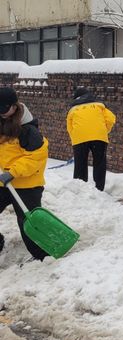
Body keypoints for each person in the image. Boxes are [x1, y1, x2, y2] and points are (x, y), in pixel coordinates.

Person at [0, 87, 49, 260]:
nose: (1, 112)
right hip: (3, 183)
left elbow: (36, 157)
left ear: (14, 106)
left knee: (28, 222)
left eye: (3, 108)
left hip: (27, 184)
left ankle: (42, 255)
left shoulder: (27, 129)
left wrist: (12, 172)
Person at [66, 86, 116, 191]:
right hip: (99, 137)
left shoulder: (73, 110)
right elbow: (111, 119)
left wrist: (75, 139)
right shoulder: (99, 106)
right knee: (99, 162)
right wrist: (104, 131)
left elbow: (69, 127)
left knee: (80, 163)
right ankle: (99, 188)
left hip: (79, 137)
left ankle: (80, 188)